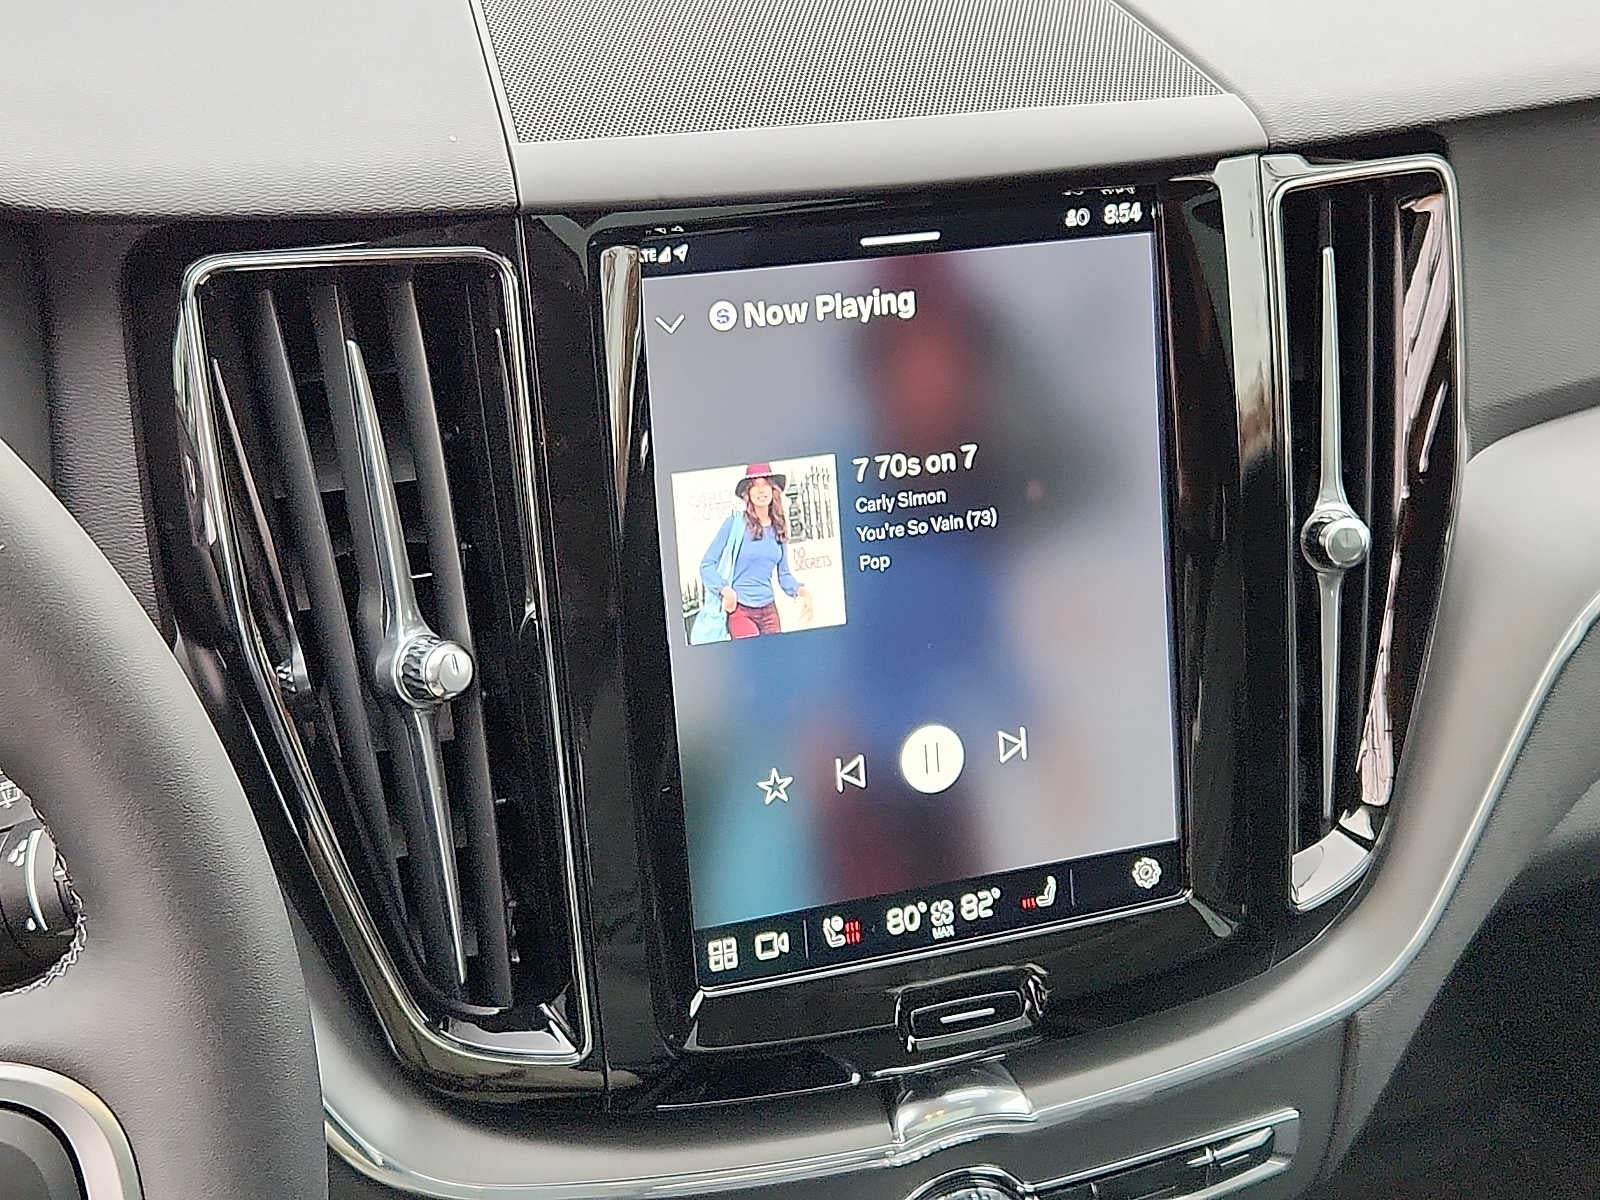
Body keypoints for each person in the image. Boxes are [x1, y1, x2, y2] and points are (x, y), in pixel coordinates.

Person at [700, 464, 813, 638]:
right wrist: (725, 590)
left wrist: (802, 592)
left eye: (765, 484)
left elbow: (784, 575)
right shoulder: (735, 523)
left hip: (769, 611)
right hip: (740, 610)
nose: (761, 490)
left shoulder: (778, 527)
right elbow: (706, 565)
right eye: (754, 485)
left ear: (773, 489)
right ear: (748, 493)